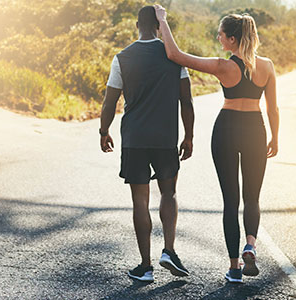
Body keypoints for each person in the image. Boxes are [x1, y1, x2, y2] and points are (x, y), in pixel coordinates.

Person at [153, 4, 280, 284]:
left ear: (232, 39)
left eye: (221, 35)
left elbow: (174, 54)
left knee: (230, 201)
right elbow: (273, 109)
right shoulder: (267, 66)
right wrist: (275, 136)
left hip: (226, 129)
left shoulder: (223, 66)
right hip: (255, 130)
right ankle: (250, 245)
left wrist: (163, 21)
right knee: (252, 198)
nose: (219, 38)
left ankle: (234, 268)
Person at [99, 5, 194, 283]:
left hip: (135, 139)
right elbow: (186, 101)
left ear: (136, 25)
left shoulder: (122, 58)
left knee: (140, 201)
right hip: (165, 138)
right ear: (157, 26)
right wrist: (189, 136)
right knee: (168, 193)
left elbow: (110, 101)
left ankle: (146, 266)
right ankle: (169, 251)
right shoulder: (174, 57)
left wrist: (103, 130)